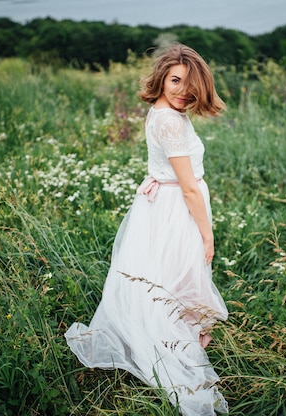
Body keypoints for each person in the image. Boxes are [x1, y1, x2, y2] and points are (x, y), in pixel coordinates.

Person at [65, 43, 229, 415]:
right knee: (177, 273)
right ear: (161, 78)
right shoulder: (170, 120)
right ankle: (169, 344)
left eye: (190, 86)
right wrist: (207, 234)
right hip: (175, 207)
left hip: (162, 203)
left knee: (159, 275)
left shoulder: (162, 111)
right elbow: (188, 186)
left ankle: (172, 333)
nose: (182, 91)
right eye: (175, 80)